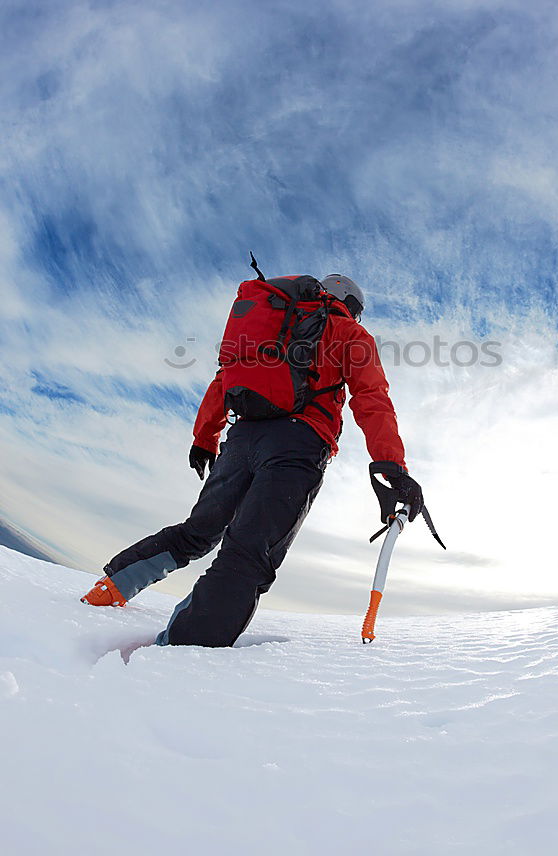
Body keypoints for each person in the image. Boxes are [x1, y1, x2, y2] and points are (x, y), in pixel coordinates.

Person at [81, 272, 423, 647]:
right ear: (353, 307)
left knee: (198, 531)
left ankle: (110, 587)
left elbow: (223, 379)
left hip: (242, 436)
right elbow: (371, 398)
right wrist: (391, 465)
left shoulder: (276, 320)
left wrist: (205, 439)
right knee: (249, 553)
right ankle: (182, 653)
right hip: (299, 444)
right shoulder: (350, 334)